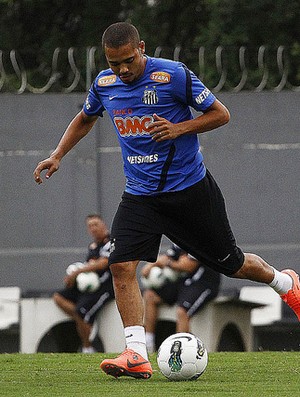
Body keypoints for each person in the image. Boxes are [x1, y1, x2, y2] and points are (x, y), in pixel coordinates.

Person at [33, 22, 300, 379]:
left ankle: (285, 283)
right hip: (140, 196)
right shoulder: (104, 84)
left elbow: (221, 114)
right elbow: (85, 117)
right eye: (115, 63)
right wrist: (58, 154)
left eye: (129, 60)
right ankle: (135, 353)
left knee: (232, 263)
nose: (123, 70)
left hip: (189, 192)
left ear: (141, 47)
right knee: (121, 265)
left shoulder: (173, 76)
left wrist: (178, 128)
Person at [141, 244, 220, 353]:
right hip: (184, 283)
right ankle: (148, 343)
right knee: (150, 296)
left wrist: (168, 263)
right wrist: (151, 266)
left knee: (182, 311)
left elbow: (188, 266)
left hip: (203, 284)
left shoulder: (200, 239)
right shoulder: (179, 239)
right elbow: (167, 258)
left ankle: (180, 350)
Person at [53, 214, 114, 353]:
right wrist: (73, 277)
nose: (93, 228)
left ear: (103, 225)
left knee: (81, 312)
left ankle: (87, 347)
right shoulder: (93, 246)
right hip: (90, 285)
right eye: (90, 226)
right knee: (59, 297)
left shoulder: (110, 242)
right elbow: (90, 265)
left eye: (96, 224)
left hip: (105, 286)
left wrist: (77, 272)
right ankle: (85, 321)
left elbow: (103, 263)